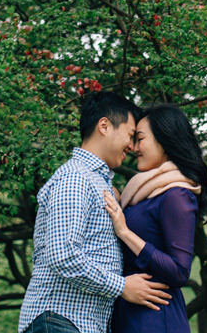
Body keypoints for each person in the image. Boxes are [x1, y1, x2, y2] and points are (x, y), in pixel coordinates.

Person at [19, 91, 173, 333]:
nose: (132, 146)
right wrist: (121, 286)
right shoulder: (75, 178)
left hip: (76, 323)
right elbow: (63, 255)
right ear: (104, 126)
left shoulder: (96, 182)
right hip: (60, 320)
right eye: (130, 135)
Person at [102, 104, 207, 333]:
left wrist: (125, 232)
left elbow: (180, 271)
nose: (133, 147)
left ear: (165, 140)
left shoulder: (177, 194)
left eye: (140, 139)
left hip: (155, 319)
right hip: (131, 314)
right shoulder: (146, 194)